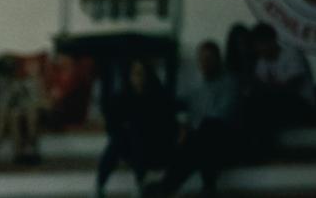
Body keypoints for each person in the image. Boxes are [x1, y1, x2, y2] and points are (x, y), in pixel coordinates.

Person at [150, 40, 243, 196]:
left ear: (218, 59)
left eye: (209, 58)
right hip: (200, 140)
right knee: (194, 141)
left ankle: (169, 186)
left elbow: (223, 116)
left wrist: (192, 128)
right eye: (202, 59)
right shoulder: (196, 88)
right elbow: (180, 105)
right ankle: (203, 186)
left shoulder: (230, 82)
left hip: (225, 138)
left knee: (205, 132)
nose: (205, 63)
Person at [94, 59, 177, 198]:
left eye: (141, 73)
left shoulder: (158, 96)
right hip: (131, 147)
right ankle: (99, 186)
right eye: (135, 74)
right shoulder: (124, 96)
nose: (138, 78)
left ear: (148, 75)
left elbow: (166, 126)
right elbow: (113, 124)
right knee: (120, 137)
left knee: (136, 130)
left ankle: (139, 182)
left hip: (155, 147)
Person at [251, 22, 315, 132]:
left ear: (272, 40)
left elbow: (294, 84)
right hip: (275, 105)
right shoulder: (261, 63)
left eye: (262, 43)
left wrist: (270, 88)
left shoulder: (291, 54)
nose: (260, 48)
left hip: (301, 104)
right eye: (257, 45)